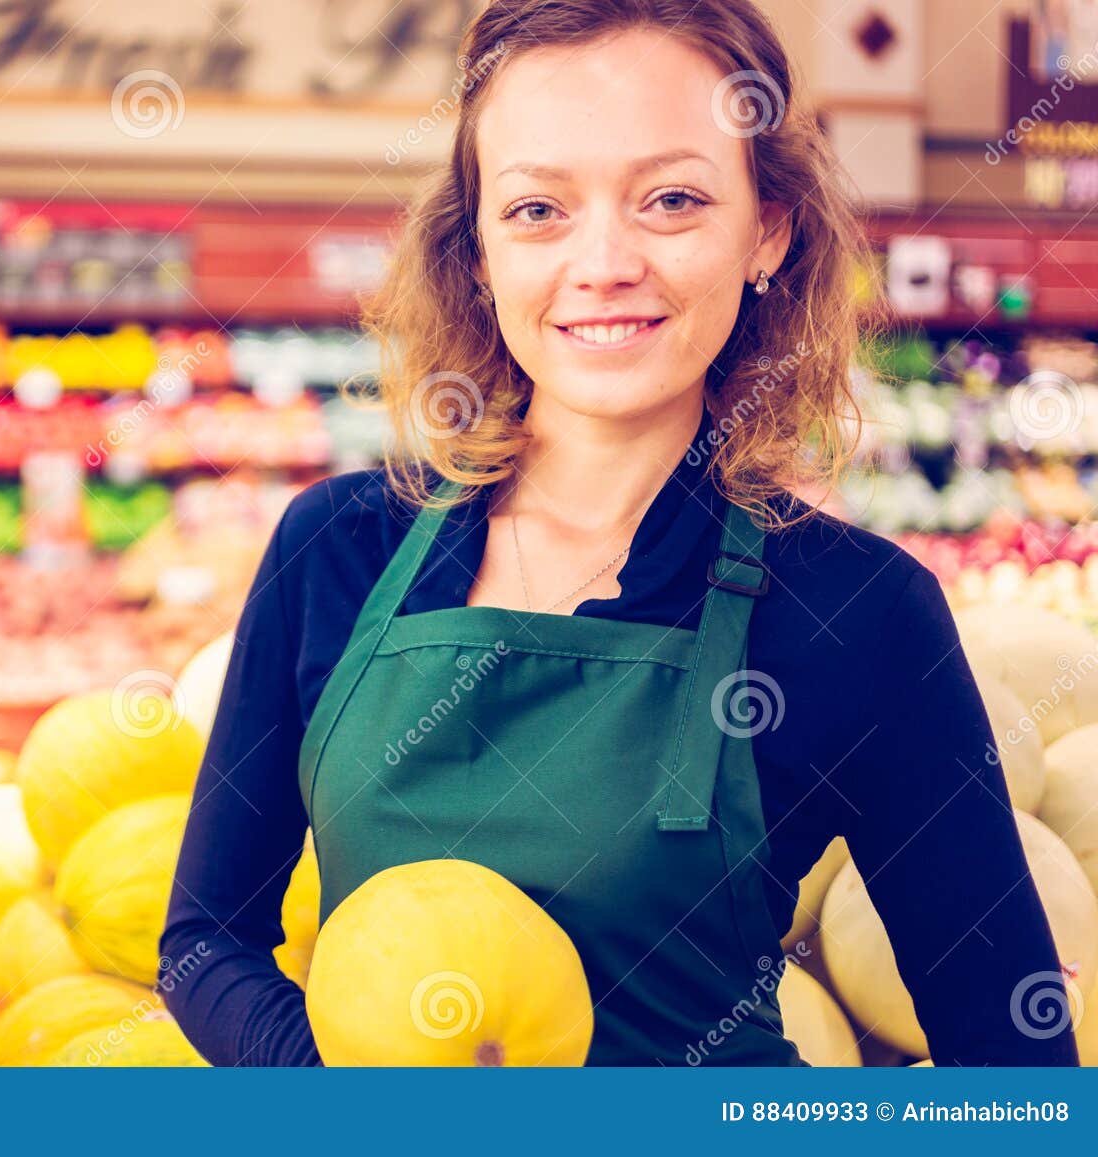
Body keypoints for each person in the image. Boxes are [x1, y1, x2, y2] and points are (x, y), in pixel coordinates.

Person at [160, 0, 1079, 1066]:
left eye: (671, 198)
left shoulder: (857, 610)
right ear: (476, 251)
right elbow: (205, 940)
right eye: (538, 209)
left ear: (766, 229)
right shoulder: (337, 549)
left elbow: (1014, 1065)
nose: (602, 262)